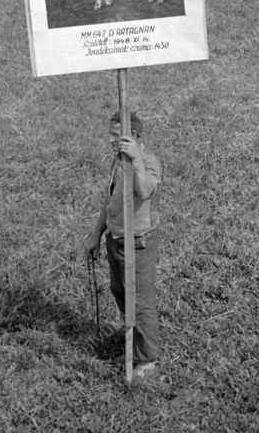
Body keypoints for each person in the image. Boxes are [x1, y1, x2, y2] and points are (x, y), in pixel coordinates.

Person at [82, 112, 162, 381]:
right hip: (115, 238)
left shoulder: (148, 161)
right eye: (111, 135)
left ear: (134, 137)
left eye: (116, 136)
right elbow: (110, 201)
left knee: (139, 301)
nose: (110, 140)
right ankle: (132, 341)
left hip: (138, 242)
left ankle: (146, 359)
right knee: (120, 291)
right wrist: (96, 234)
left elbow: (145, 190)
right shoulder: (117, 162)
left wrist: (136, 160)